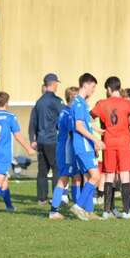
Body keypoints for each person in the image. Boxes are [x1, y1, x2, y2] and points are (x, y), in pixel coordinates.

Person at [91, 76, 130, 220]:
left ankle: (106, 211)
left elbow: (89, 119)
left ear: (109, 89)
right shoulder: (127, 103)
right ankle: (126, 212)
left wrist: (97, 131)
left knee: (109, 175)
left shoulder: (102, 103)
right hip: (124, 142)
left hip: (109, 142)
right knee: (124, 175)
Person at [0, 92, 35, 213]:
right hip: (4, 152)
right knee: (0, 177)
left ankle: (9, 206)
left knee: (4, 179)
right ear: (7, 103)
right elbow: (17, 135)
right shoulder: (10, 117)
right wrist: (28, 148)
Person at [70, 73, 105, 221]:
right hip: (83, 145)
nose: (93, 90)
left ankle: (89, 211)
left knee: (90, 177)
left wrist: (96, 134)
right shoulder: (78, 102)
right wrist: (95, 140)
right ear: (85, 85)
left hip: (87, 145)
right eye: (93, 87)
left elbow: (86, 124)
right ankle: (78, 206)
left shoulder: (83, 103)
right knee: (96, 176)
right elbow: (79, 126)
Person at [31, 73, 64, 205]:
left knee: (42, 171)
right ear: (53, 84)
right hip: (52, 139)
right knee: (57, 168)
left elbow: (34, 122)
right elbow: (63, 118)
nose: (57, 86)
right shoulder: (56, 101)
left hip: (41, 140)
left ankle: (42, 198)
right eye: (56, 83)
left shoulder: (39, 102)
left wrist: (33, 138)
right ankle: (56, 198)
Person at [49, 87, 82, 220]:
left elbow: (58, 127)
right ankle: (54, 211)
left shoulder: (63, 112)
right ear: (73, 98)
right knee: (64, 178)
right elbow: (73, 131)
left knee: (77, 177)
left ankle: (78, 208)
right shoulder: (69, 113)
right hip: (67, 150)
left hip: (65, 148)